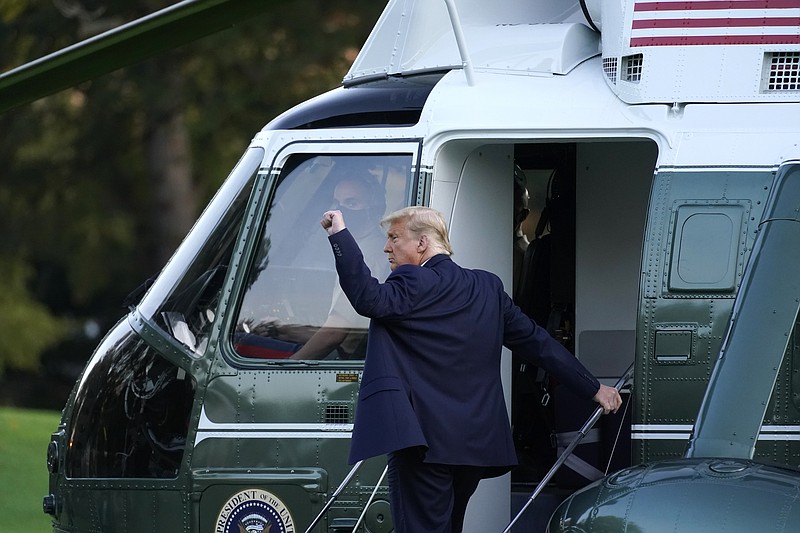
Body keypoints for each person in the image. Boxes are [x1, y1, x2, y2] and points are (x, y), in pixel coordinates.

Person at [318, 206, 622, 532]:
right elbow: (539, 344)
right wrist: (593, 388)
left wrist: (339, 235)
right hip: (473, 448)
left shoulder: (413, 280)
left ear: (422, 243)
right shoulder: (487, 288)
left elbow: (367, 297)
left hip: (424, 445)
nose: (386, 247)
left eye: (394, 237)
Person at [290, 174, 389, 359]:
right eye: (337, 203)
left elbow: (335, 333)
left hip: (346, 358)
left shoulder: (367, 254)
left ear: (373, 208)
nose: (340, 211)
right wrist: (282, 331)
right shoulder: (356, 246)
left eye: (351, 203)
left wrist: (289, 365)